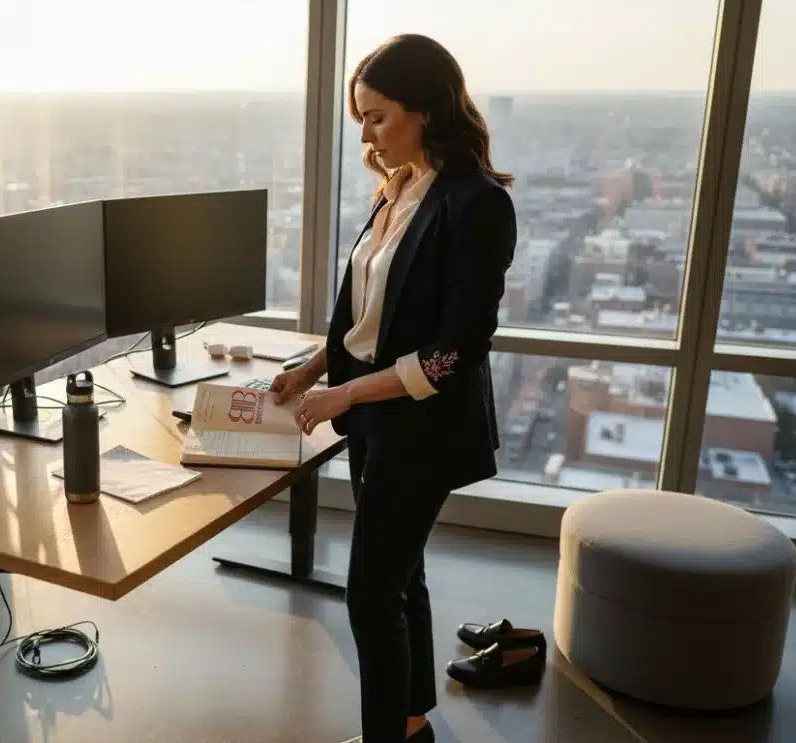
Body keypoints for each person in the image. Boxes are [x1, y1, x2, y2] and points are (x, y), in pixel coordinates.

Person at [270, 34, 517, 743]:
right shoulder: (402, 189)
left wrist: (344, 396)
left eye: (377, 116)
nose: (367, 134)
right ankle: (410, 726)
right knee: (402, 577)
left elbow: (452, 355)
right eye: (361, 119)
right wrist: (315, 368)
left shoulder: (477, 205)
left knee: (370, 596)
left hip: (423, 429)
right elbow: (366, 316)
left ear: (425, 108)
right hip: (377, 418)